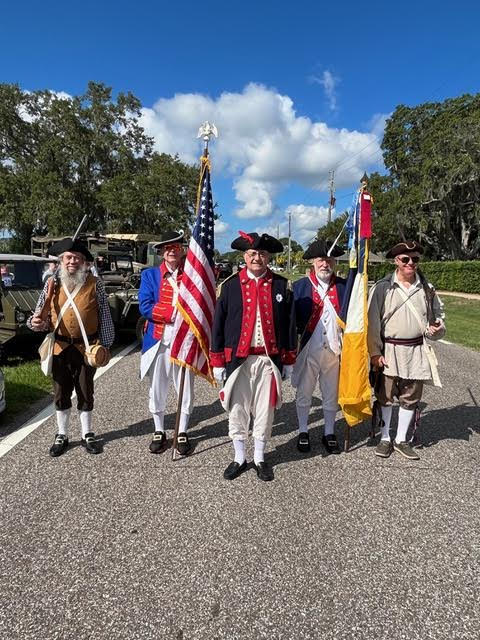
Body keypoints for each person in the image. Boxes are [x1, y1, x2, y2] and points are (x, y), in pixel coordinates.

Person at [210, 231, 297, 482]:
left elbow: (290, 326)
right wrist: (217, 361)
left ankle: (259, 457)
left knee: (264, 410)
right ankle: (239, 458)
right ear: (244, 257)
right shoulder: (229, 287)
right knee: (237, 409)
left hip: (268, 360)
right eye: (251, 254)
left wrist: (289, 360)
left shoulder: (281, 285)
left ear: (267, 256)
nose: (256, 258)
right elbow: (218, 326)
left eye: (261, 253)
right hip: (238, 360)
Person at [29, 238, 115, 457]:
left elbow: (104, 316)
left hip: (87, 348)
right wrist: (34, 323)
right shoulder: (52, 283)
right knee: (60, 392)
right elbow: (40, 314)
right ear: (61, 260)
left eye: (77, 258)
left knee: (86, 391)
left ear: (85, 262)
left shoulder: (96, 284)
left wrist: (106, 345)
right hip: (59, 347)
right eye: (68, 257)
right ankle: (62, 434)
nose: (72, 262)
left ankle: (87, 433)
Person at [367, 240, 445, 460]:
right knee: (385, 396)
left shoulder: (428, 289)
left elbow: (438, 317)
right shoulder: (382, 287)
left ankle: (401, 440)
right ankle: (384, 438)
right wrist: (374, 353)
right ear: (396, 261)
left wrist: (437, 328)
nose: (411, 263)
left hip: (416, 351)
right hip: (389, 350)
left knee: (410, 397)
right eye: (405, 259)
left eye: (415, 259)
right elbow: (373, 322)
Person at [138, 230, 195, 456]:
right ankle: (159, 429)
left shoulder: (191, 275)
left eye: (177, 247)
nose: (172, 250)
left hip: (185, 339)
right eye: (168, 247)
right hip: (158, 338)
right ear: (161, 252)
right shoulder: (150, 275)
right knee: (157, 386)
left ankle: (182, 430)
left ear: (182, 251)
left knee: (185, 385)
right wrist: (175, 313)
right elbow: (145, 306)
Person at [291, 239, 346, 454]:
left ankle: (329, 432)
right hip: (307, 350)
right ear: (313, 262)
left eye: (329, 259)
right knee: (304, 393)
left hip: (334, 351)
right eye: (321, 260)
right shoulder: (299, 287)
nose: (325, 264)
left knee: (331, 394)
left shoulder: (343, 287)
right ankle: (303, 430)